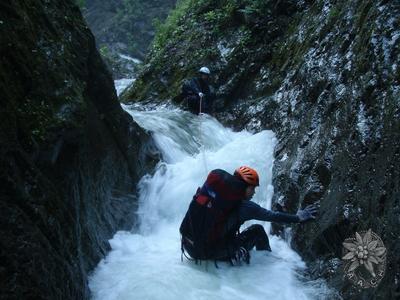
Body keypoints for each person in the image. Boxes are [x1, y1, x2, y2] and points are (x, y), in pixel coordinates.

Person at [179, 166, 318, 265]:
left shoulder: (215, 196)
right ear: (244, 187)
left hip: (189, 246)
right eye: (252, 188)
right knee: (257, 230)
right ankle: (268, 264)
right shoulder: (245, 207)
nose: (254, 193)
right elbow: (272, 216)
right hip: (208, 252)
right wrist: (298, 217)